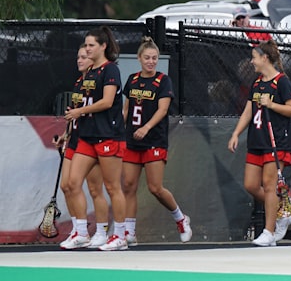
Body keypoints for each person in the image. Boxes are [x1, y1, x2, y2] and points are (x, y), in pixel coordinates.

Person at [227, 40, 291, 246]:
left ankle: (269, 233)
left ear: (264, 58)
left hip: (276, 142)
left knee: (270, 187)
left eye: (254, 57)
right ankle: (282, 211)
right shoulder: (257, 83)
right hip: (257, 140)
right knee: (250, 184)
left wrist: (272, 104)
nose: (252, 61)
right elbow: (249, 111)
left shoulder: (282, 82)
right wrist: (236, 133)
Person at [60, 25, 127, 250]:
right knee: (71, 183)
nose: (87, 49)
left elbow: (107, 102)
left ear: (103, 46)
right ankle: (80, 232)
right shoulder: (89, 74)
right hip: (87, 136)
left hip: (108, 135)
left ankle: (119, 235)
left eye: (91, 45)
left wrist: (79, 112)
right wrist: (71, 124)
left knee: (112, 187)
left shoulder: (110, 70)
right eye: (85, 45)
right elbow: (81, 104)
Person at [121, 36, 192, 244]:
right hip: (132, 140)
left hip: (154, 139)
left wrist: (146, 127)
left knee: (155, 188)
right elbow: (126, 109)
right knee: (129, 186)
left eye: (154, 58)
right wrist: (119, 129)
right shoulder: (132, 79)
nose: (151, 61)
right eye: (147, 58)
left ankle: (180, 218)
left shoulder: (163, 80)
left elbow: (162, 110)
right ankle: (129, 232)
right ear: (139, 58)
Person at [57, 44, 111, 245]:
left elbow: (102, 106)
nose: (80, 60)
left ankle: (101, 231)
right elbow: (76, 114)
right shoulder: (80, 82)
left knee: (95, 189)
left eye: (84, 56)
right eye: (78, 57)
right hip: (75, 138)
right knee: (67, 185)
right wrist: (65, 134)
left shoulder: (99, 81)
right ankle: (79, 229)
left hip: (90, 140)